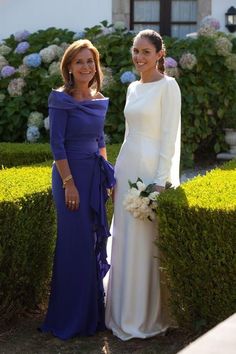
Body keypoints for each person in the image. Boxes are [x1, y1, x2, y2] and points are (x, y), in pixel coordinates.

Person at [105, 29, 181, 340]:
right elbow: (127, 135)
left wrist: (161, 181)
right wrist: (115, 174)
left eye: (146, 52)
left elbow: (169, 137)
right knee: (125, 238)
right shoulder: (132, 88)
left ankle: (147, 315)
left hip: (150, 172)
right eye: (136, 51)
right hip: (127, 168)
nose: (139, 57)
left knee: (147, 241)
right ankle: (121, 313)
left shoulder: (169, 87)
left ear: (160, 55)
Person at [39, 39, 115, 340]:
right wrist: (69, 184)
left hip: (93, 175)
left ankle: (92, 315)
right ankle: (69, 317)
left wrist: (108, 179)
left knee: (93, 240)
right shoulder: (60, 99)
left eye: (90, 61)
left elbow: (100, 140)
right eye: (80, 62)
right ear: (69, 67)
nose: (86, 67)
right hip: (69, 177)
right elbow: (57, 144)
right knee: (74, 244)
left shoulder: (99, 99)